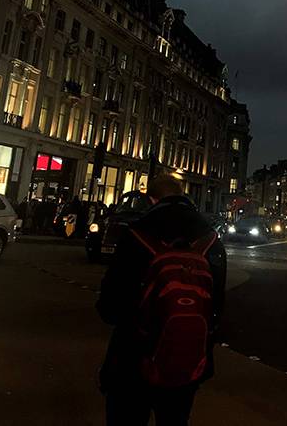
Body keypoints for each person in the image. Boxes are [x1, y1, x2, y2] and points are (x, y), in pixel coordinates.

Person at [96, 176, 226, 426]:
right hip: (188, 357)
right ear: (184, 194)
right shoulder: (210, 238)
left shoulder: (138, 232)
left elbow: (110, 306)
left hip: (135, 355)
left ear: (151, 199)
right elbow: (217, 304)